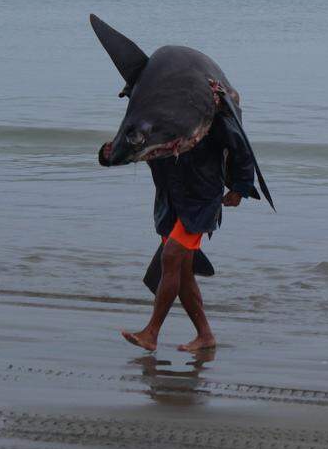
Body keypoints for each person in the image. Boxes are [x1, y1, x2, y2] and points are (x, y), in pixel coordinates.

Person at [107, 114, 258, 353]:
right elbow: (135, 144)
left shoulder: (209, 111)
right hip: (170, 199)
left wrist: (240, 187)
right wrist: (112, 153)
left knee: (171, 256)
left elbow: (240, 147)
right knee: (183, 273)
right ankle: (205, 335)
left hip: (201, 198)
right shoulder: (154, 111)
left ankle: (151, 333)